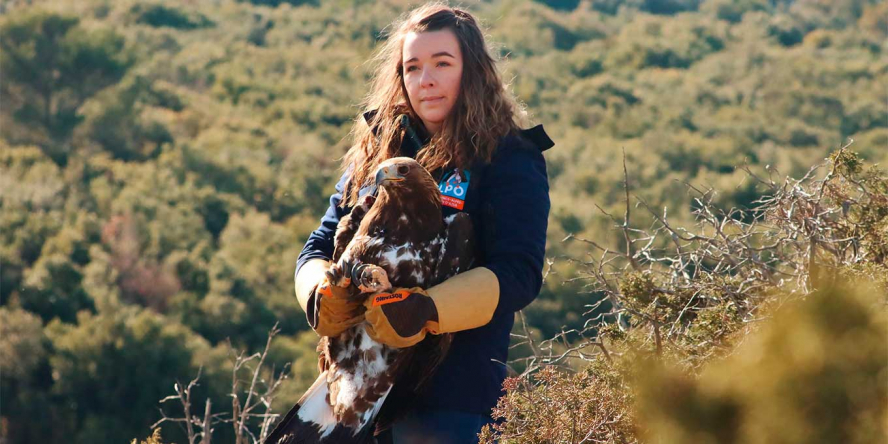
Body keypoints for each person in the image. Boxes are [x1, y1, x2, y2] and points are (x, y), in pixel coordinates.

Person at [293, 4, 553, 443]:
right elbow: (318, 245)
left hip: (449, 396)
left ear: (473, 71)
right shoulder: (377, 151)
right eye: (412, 67)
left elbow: (519, 274)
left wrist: (427, 312)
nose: (425, 79)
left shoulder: (508, 157)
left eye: (442, 64)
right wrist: (321, 296)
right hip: (354, 386)